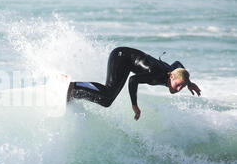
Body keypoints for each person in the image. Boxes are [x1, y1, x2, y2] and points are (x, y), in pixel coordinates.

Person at [66, 46, 201, 120]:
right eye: (178, 85)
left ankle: (75, 93)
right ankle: (72, 86)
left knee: (107, 102)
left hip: (127, 62)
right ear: (171, 77)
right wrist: (134, 105)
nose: (178, 89)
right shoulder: (158, 75)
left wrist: (188, 82)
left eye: (181, 87)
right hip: (121, 56)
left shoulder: (174, 72)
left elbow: (178, 63)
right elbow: (133, 80)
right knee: (109, 91)